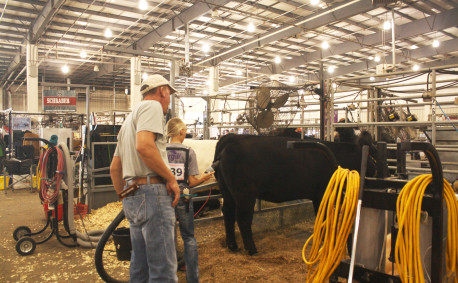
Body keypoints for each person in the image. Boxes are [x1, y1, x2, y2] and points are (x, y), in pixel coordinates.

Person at [110, 74, 181, 283]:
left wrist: (125, 197)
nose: (169, 101)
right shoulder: (152, 107)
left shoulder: (127, 123)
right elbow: (144, 146)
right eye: (169, 95)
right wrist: (171, 179)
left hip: (132, 194)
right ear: (163, 90)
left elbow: (115, 168)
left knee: (139, 265)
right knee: (163, 270)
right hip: (152, 194)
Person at [166, 118, 213, 283]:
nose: (185, 134)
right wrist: (205, 178)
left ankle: (170, 276)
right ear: (180, 132)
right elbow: (192, 182)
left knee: (168, 236)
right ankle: (192, 278)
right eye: (185, 131)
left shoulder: (161, 150)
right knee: (188, 237)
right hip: (184, 197)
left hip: (164, 196)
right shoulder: (188, 152)